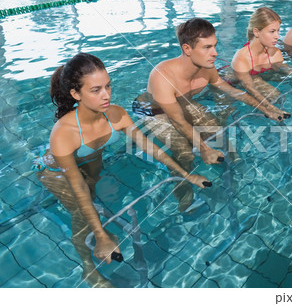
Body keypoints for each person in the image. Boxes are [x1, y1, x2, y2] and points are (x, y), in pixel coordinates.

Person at [35, 53, 211, 287]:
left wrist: (186, 174)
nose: (106, 95)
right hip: (55, 172)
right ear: (76, 94)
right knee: (81, 210)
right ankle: (89, 270)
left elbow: (151, 149)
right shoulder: (64, 133)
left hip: (91, 165)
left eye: (108, 86)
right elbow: (77, 186)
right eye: (95, 90)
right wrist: (100, 236)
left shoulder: (115, 114)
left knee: (100, 193)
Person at [133, 18, 291, 212]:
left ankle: (236, 166)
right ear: (187, 49)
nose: (215, 53)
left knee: (217, 131)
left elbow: (232, 91)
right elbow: (178, 120)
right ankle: (185, 199)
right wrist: (203, 148)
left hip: (182, 103)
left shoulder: (207, 68)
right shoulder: (163, 75)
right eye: (207, 47)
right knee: (184, 151)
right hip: (153, 111)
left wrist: (265, 108)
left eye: (215, 46)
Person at [229, 7, 292, 106]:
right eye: (272, 31)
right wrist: (272, 110)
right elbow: (249, 87)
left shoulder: (275, 53)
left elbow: (287, 69)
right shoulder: (241, 58)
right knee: (275, 96)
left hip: (260, 73)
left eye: (278, 31)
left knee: (290, 81)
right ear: (256, 32)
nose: (277, 36)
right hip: (234, 80)